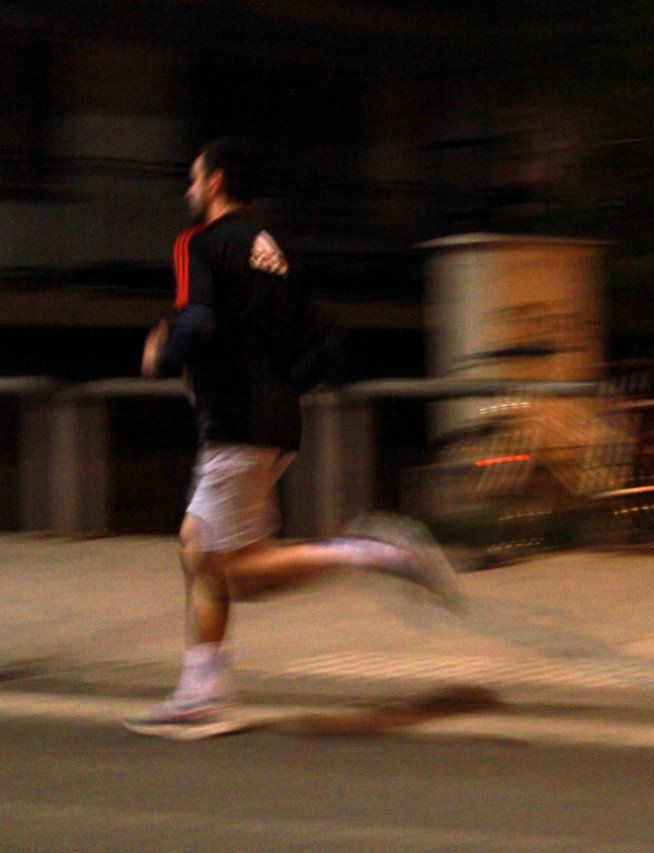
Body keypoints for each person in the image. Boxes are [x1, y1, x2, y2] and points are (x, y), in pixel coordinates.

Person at [125, 136, 463, 739]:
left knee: (219, 558)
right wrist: (283, 389)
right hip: (276, 422)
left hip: (235, 423)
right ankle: (203, 689)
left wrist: (161, 358)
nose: (188, 190)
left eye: (194, 178)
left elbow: (197, 321)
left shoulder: (199, 242)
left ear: (216, 182)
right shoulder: (274, 250)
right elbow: (331, 342)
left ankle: (370, 553)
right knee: (215, 557)